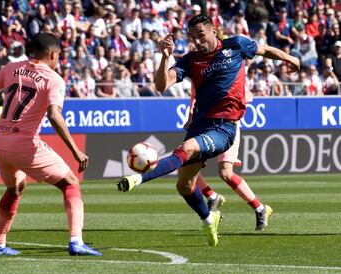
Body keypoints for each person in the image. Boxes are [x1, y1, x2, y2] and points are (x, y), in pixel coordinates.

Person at [117, 14, 300, 247]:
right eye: (192, 37)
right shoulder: (190, 60)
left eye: (200, 35)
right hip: (200, 125)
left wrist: (290, 58)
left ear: (214, 31)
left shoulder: (236, 44)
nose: (196, 41)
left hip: (224, 127)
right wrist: (165, 58)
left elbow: (265, 50)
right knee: (184, 185)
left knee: (187, 149)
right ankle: (208, 217)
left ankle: (138, 178)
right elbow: (162, 85)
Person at [0, 32, 102, 256]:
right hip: (25, 144)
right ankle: (76, 241)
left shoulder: (11, 68)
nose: (58, 60)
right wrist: (75, 151)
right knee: (70, 183)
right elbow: (55, 116)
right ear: (52, 54)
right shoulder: (54, 79)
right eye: (58, 56)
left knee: (15, 188)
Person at [186, 84, 272, 231]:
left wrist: (231, 106)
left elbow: (248, 95)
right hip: (203, 125)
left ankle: (260, 209)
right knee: (188, 168)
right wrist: (190, 117)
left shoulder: (227, 70)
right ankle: (212, 196)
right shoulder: (199, 72)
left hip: (227, 126)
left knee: (226, 173)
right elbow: (194, 98)